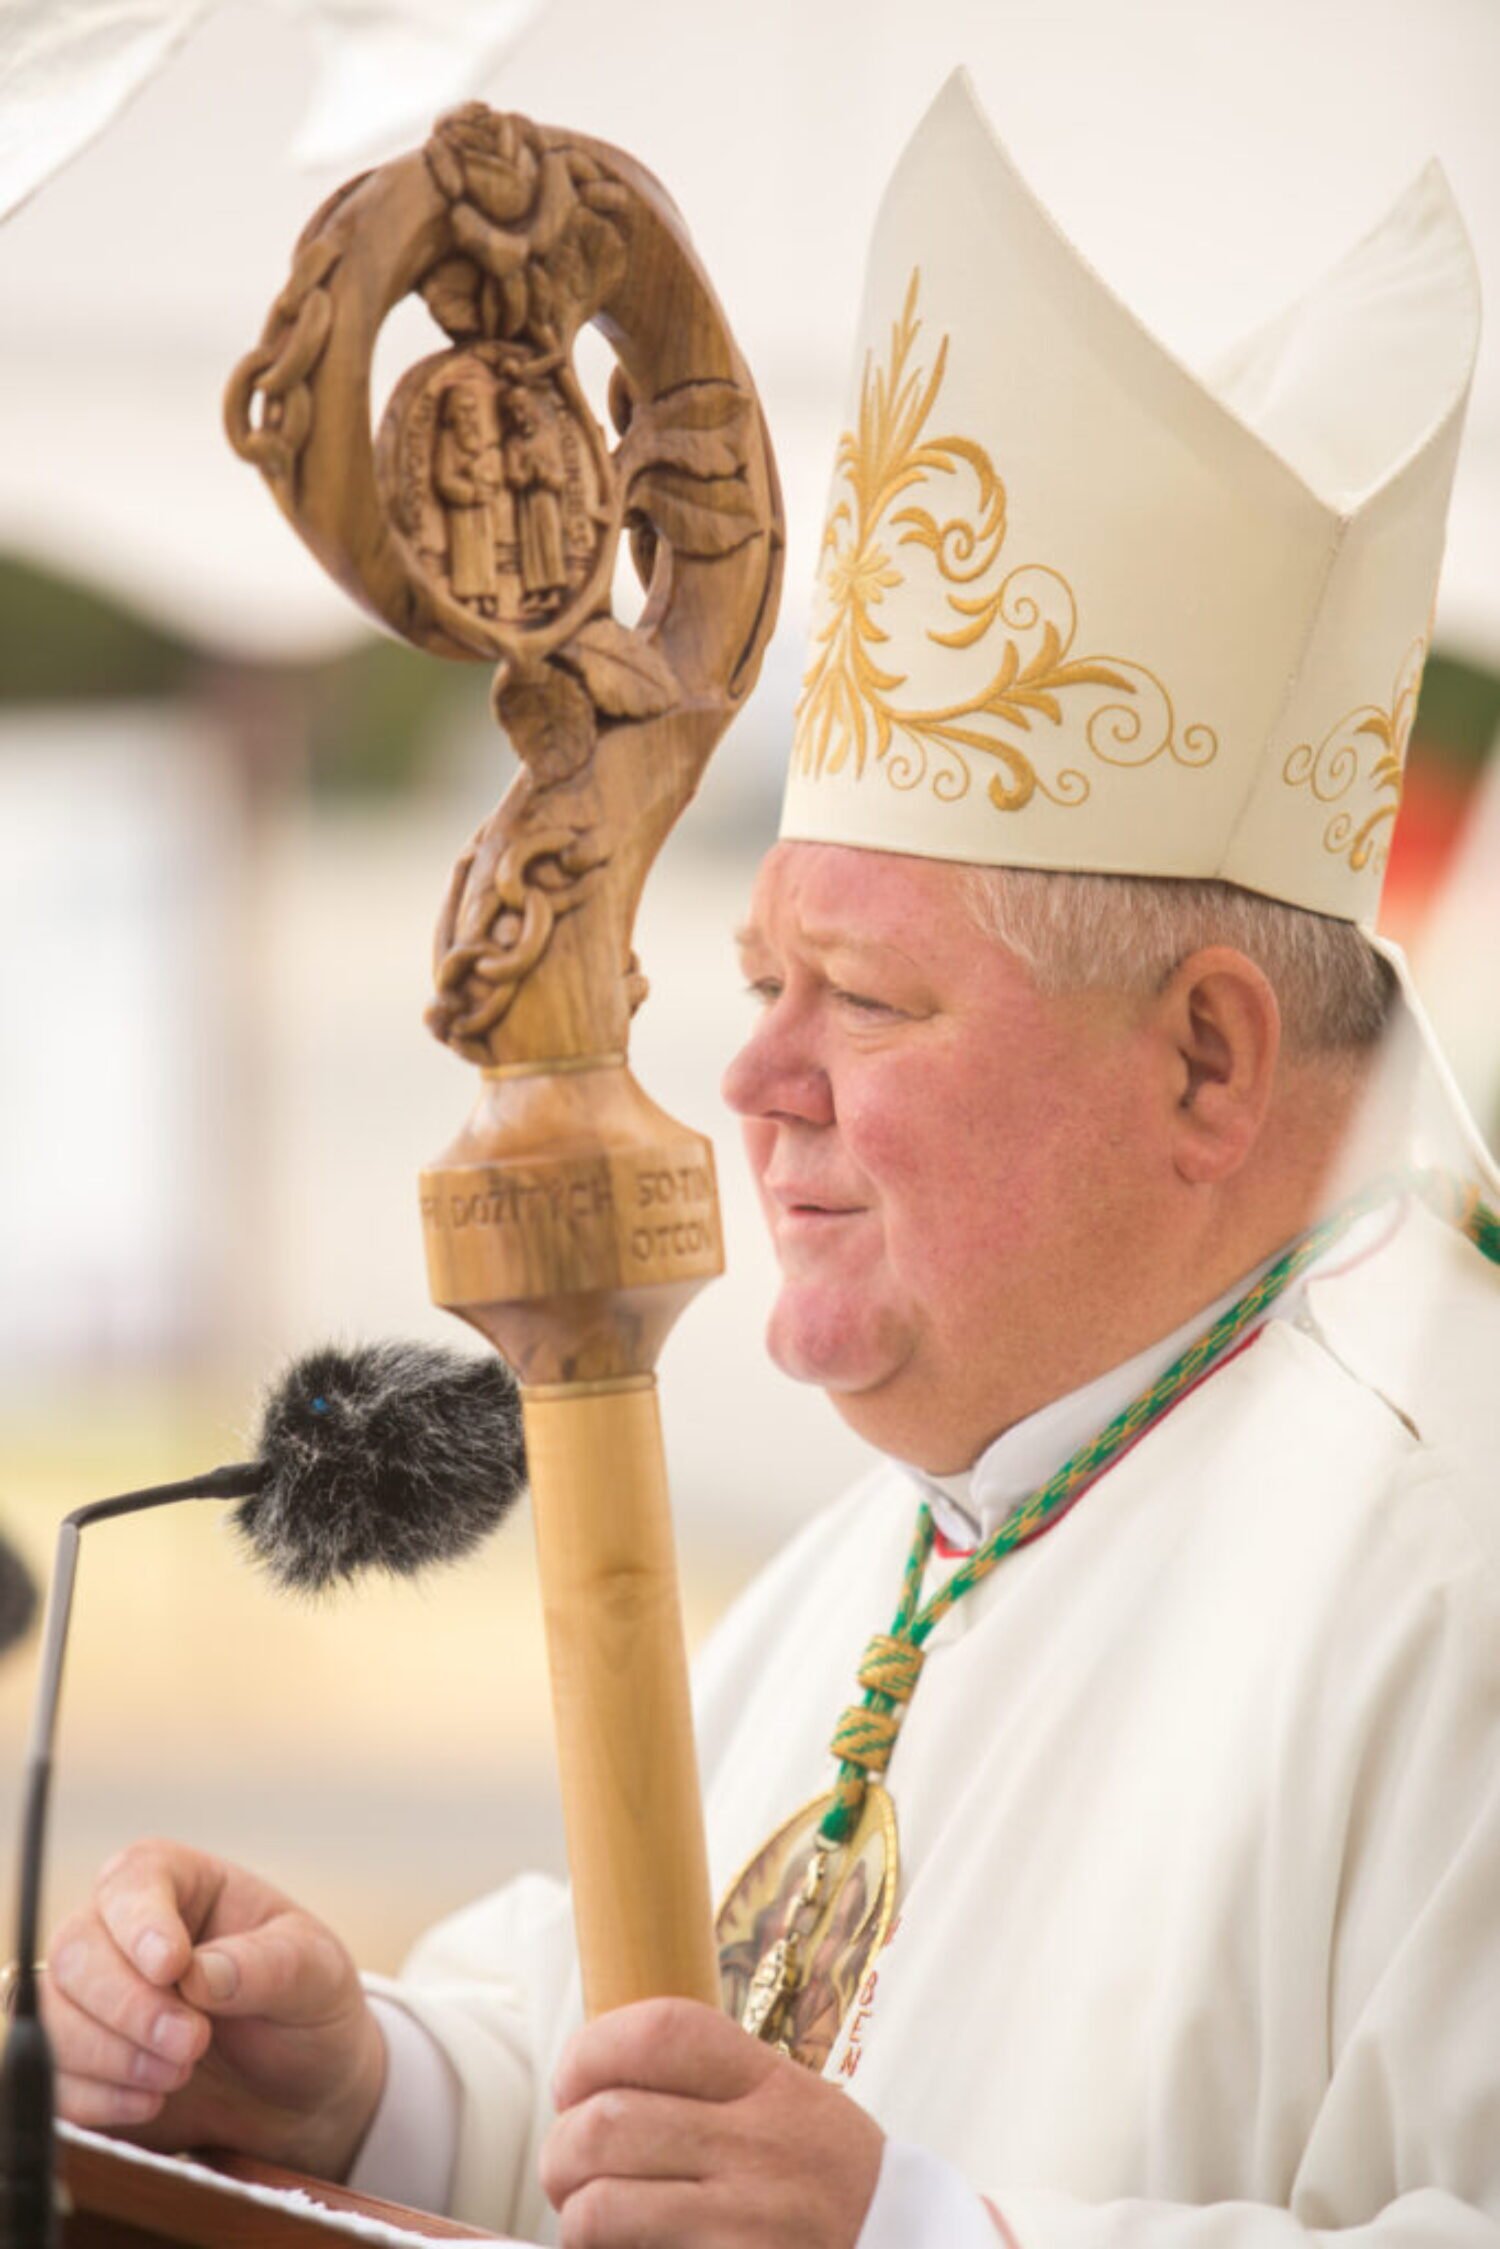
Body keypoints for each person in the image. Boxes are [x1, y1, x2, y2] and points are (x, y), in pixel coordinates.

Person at [33, 71, 1500, 2249]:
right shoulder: (951, 1500)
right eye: (759, 983)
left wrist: (902, 2233)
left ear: (1208, 1059)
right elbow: (641, 2072)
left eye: (868, 1000)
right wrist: (368, 2084)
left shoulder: (1450, 1549)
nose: (754, 1081)